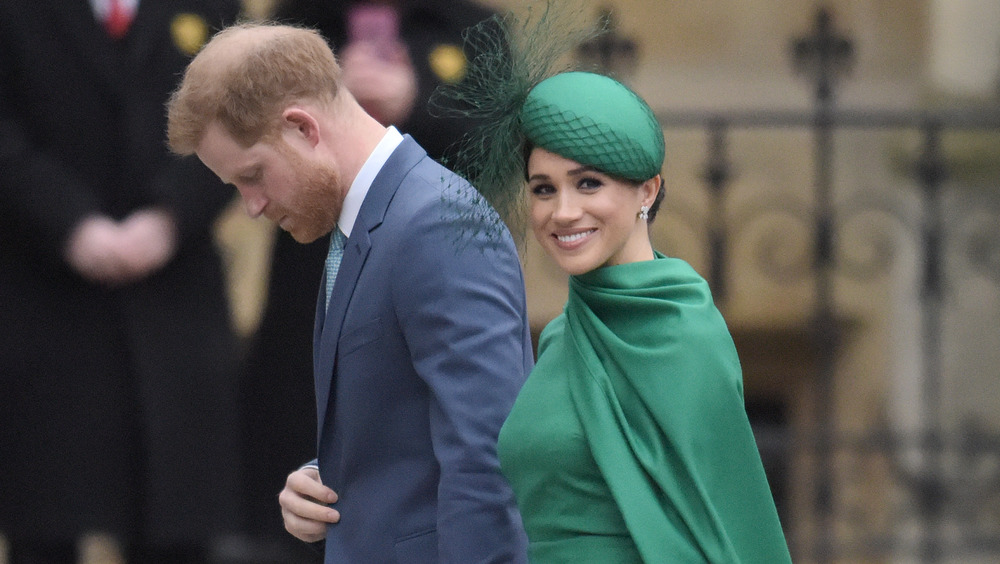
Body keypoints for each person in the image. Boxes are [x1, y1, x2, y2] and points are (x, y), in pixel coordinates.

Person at [166, 22, 531, 564]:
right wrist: (325, 480)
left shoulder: (433, 223)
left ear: (302, 128)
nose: (252, 206)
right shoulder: (366, 223)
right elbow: (406, 432)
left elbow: (490, 460)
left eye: (253, 176)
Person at [434, 13, 794, 562]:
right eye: (543, 188)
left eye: (588, 183)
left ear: (647, 189)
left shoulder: (684, 334)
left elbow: (725, 525)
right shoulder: (560, 337)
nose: (563, 211)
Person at [235, 0, 496, 554]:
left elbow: (500, 147)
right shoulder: (300, 19)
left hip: (434, 261)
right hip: (309, 274)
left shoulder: (468, 23)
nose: (251, 204)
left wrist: (416, 98)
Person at [0, 1, 243, 563]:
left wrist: (170, 217)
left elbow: (242, 114)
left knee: (178, 523)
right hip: (43, 295)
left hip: (176, 299)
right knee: (44, 521)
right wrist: (68, 222)